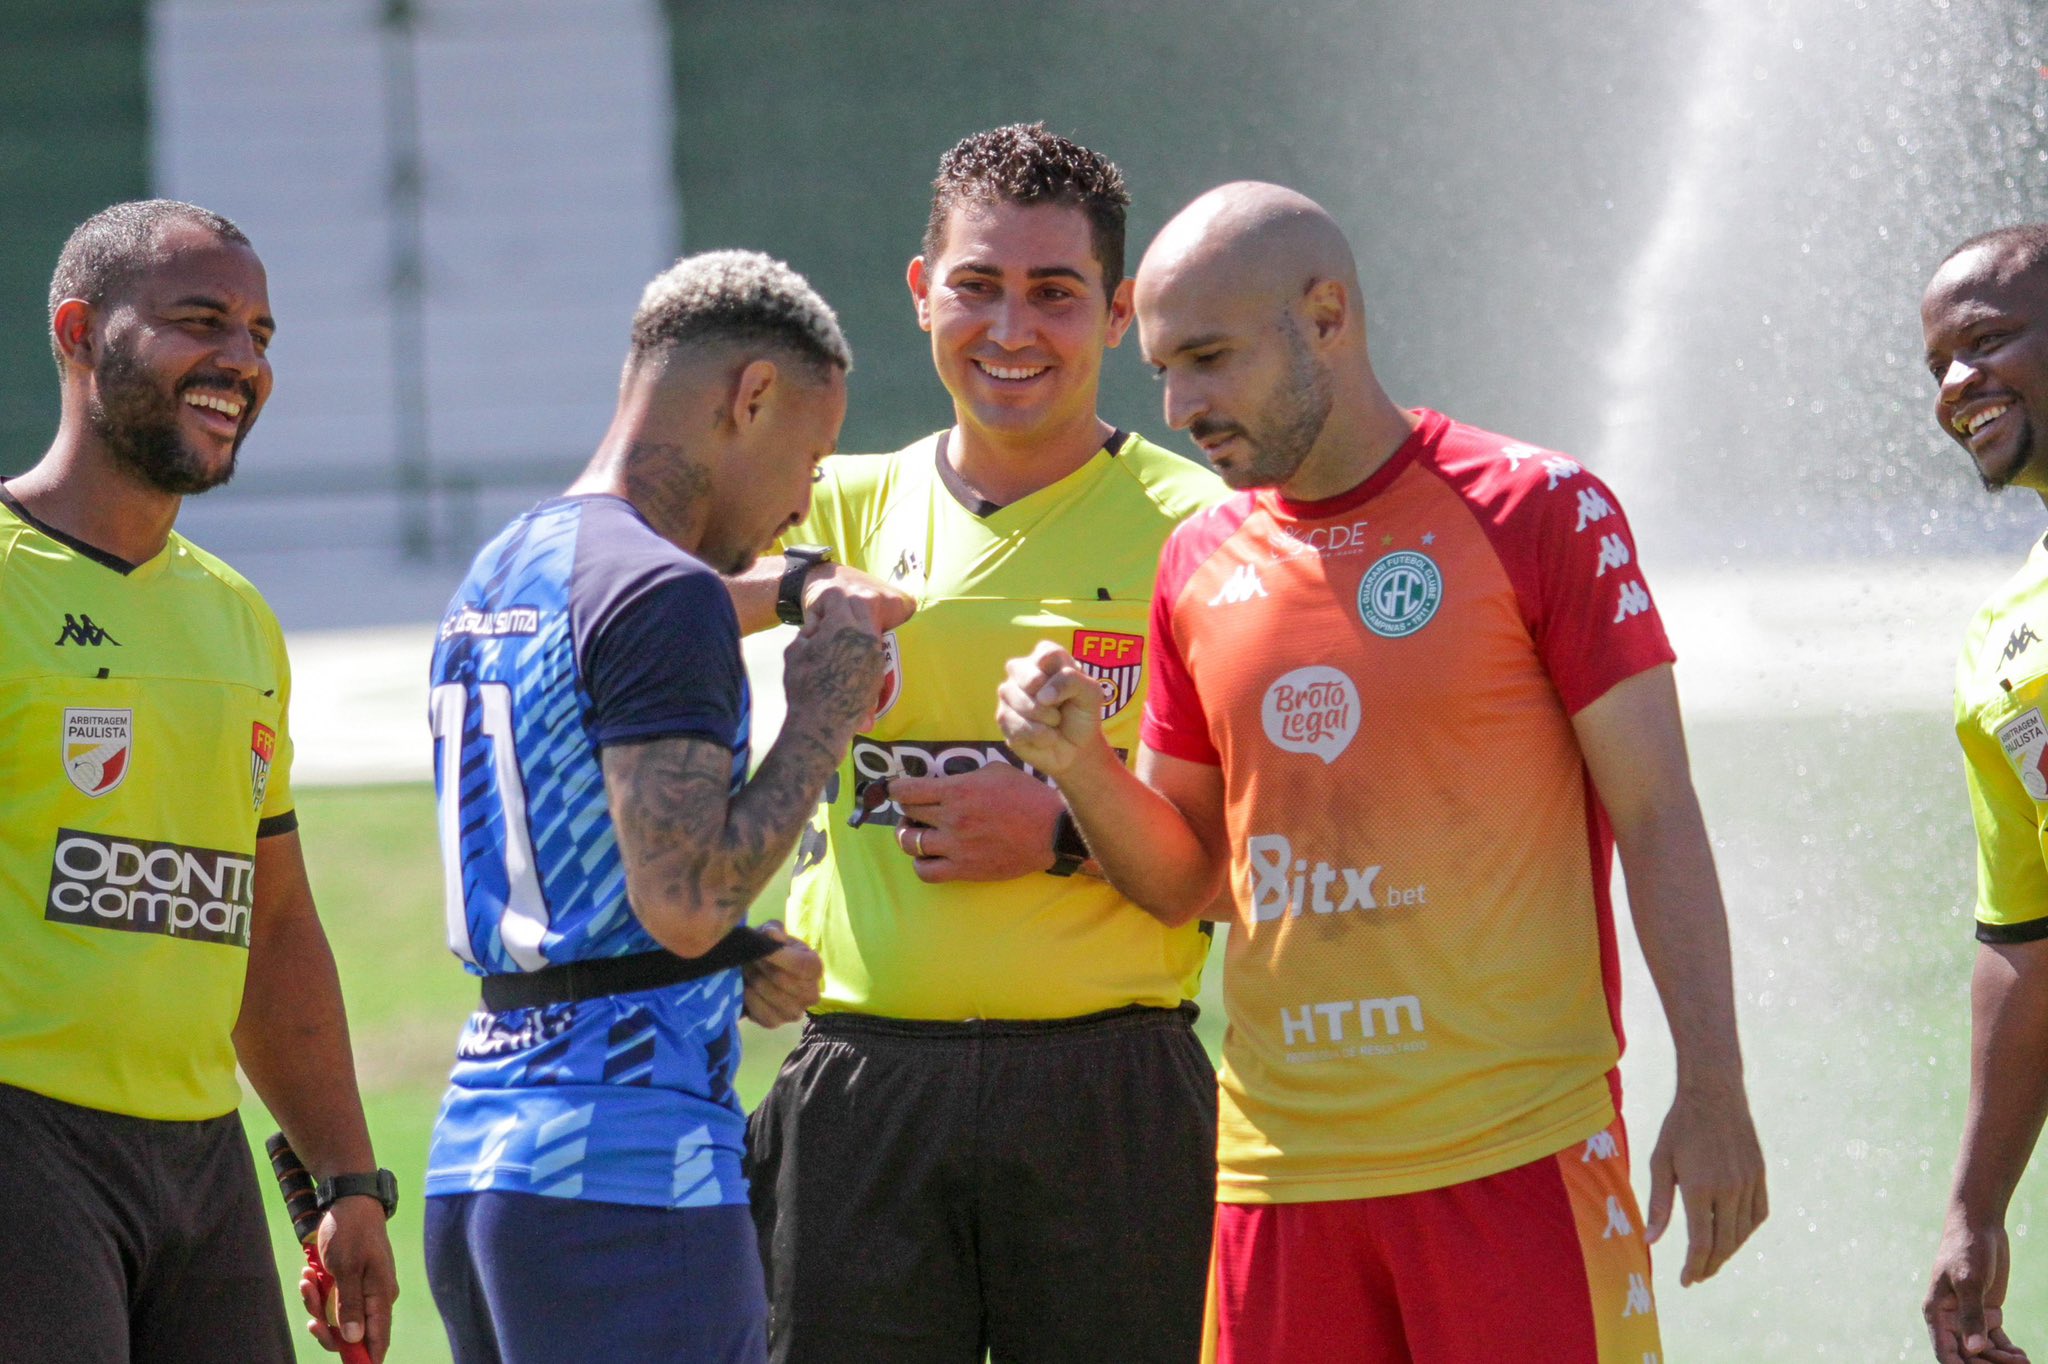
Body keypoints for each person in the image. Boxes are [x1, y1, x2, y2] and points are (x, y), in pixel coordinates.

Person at [997, 182, 1769, 1363]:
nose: (1180, 405)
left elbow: (1656, 812)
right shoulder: (1195, 563)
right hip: (1276, 1179)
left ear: (1325, 315)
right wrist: (1080, 768)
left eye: (1208, 357)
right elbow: (1191, 879)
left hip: (1514, 1161)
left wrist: (1710, 1086)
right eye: (1162, 369)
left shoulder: (1536, 508)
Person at [730, 124, 1227, 1363]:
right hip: (860, 1087)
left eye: (1054, 294)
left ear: (1116, 315)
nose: (1011, 328)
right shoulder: (829, 500)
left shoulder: (1201, 528)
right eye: (977, 286)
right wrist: (723, 924)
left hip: (1111, 1092)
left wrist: (1061, 823)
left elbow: (1225, 860)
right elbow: (623, 599)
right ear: (918, 293)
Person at [421, 249, 887, 1364]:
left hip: (481, 1154)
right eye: (809, 460)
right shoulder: (661, 591)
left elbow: (631, 898)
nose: (800, 503)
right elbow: (681, 896)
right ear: (752, 397)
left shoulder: (509, 564)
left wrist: (727, 953)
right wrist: (824, 706)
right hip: (625, 1172)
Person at [0, 200, 399, 1361]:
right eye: (201, 320)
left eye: (262, 334)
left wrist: (346, 1175)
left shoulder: (238, 620)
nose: (242, 360)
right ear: (79, 330)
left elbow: (270, 924)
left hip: (201, 1158)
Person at [1920, 225, 2048, 1364]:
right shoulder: (2001, 645)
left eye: (1985, 341)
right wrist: (1976, 1205)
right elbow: (2023, 937)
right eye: (1937, 369)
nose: (1956, 387)